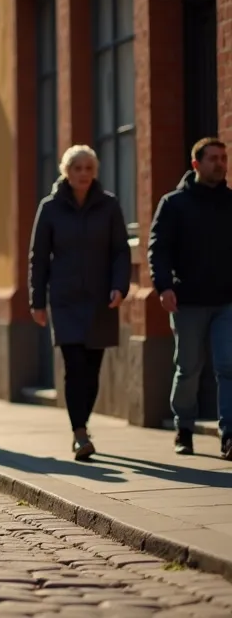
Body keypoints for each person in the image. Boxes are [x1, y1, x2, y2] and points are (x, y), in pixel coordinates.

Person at [29, 145, 130, 461]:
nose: (83, 174)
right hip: (65, 299)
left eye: (88, 168)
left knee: (92, 368)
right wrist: (37, 301)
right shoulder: (50, 207)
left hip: (101, 299)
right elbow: (39, 257)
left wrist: (119, 287)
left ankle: (82, 424)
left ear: (95, 171)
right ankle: (79, 432)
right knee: (74, 366)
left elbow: (120, 251)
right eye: (77, 168)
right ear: (66, 172)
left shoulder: (109, 205)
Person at [149, 137, 232, 458]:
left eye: (223, 158)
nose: (220, 163)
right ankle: (184, 428)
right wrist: (164, 286)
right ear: (196, 164)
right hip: (187, 301)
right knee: (188, 368)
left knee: (228, 366)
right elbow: (158, 249)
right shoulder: (174, 204)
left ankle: (229, 434)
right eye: (213, 158)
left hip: (227, 300)